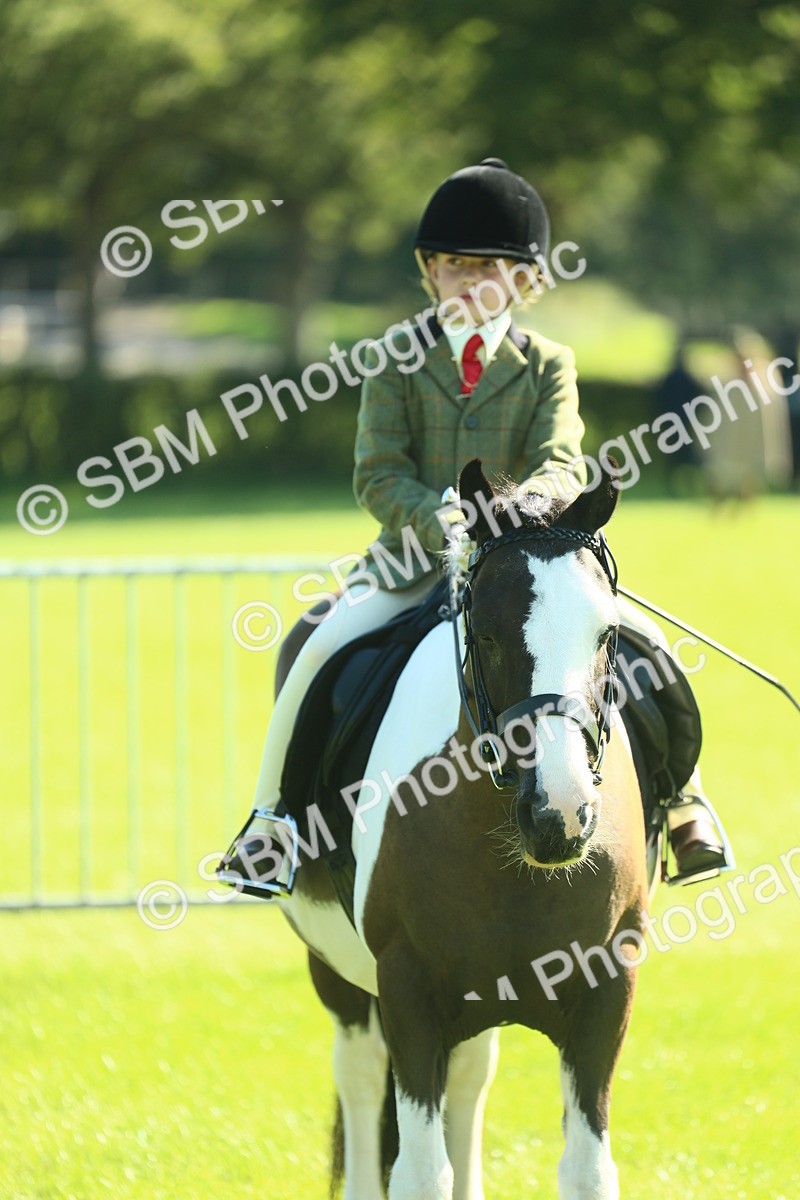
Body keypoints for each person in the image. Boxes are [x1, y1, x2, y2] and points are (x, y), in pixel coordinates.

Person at [220, 158, 729, 891]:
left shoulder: (549, 363)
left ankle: (685, 804)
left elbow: (560, 461)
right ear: (429, 271)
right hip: (414, 562)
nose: (473, 282)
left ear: (524, 280)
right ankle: (271, 821)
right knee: (316, 649)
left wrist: (513, 522)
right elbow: (378, 474)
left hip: (528, 563)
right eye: (456, 266)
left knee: (647, 649)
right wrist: (450, 524)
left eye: (492, 268)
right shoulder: (394, 360)